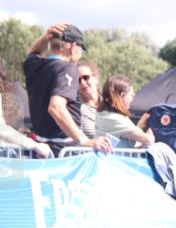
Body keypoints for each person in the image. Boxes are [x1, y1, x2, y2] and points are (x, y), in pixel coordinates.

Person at [23, 23, 112, 155]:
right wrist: (85, 141)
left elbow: (33, 52)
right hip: (63, 153)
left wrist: (45, 38)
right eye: (81, 49)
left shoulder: (34, 64)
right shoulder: (67, 68)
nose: (80, 54)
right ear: (72, 46)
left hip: (40, 150)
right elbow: (56, 107)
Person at [95, 75, 156, 148]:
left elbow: (131, 141)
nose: (132, 99)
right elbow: (148, 140)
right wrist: (150, 135)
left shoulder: (104, 115)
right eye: (131, 95)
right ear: (122, 95)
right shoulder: (113, 118)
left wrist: (140, 125)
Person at [77, 61, 100, 140]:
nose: (83, 83)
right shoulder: (77, 109)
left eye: (86, 77)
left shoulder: (111, 103)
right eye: (78, 80)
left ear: (96, 78)